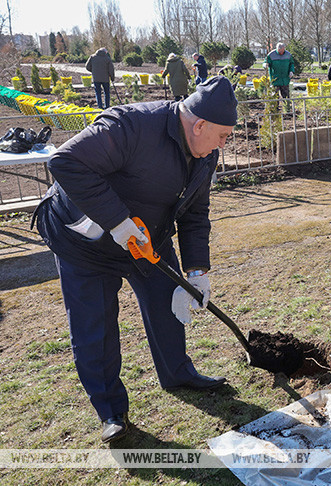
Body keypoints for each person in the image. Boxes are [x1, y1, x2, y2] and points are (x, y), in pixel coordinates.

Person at [33, 76, 238, 444]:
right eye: (222, 135)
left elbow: (195, 213)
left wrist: (196, 271)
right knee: (94, 327)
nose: (224, 144)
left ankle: (178, 373)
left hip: (146, 240)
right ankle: (111, 410)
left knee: (168, 305)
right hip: (85, 241)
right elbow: (65, 162)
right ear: (200, 124)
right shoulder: (131, 125)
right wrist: (117, 220)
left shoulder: (206, 154)